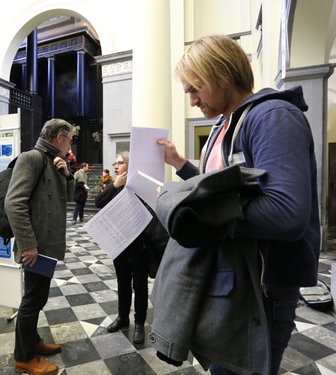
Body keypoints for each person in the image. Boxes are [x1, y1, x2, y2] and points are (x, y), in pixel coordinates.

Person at [153, 35, 320, 374]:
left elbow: (286, 214)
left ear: (221, 74)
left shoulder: (273, 116)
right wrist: (181, 165)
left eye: (195, 89)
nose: (193, 100)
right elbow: (220, 185)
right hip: (231, 278)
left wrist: (195, 213)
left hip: (262, 287)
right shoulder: (224, 125)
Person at [5, 118, 75, 375]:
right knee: (32, 301)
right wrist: (28, 245)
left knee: (37, 298)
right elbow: (14, 203)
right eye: (69, 139)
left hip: (45, 247)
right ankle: (23, 357)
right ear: (59, 137)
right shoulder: (32, 158)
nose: (69, 145)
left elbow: (66, 199)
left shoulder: (52, 161)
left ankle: (33, 342)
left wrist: (66, 173)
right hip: (34, 248)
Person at [95, 152, 149, 344]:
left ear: (129, 166)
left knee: (140, 286)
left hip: (139, 245)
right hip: (120, 245)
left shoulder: (139, 185)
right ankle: (123, 318)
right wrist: (115, 185)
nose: (116, 166)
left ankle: (140, 323)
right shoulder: (114, 186)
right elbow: (98, 202)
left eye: (120, 163)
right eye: (115, 163)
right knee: (123, 283)